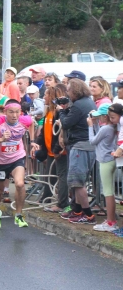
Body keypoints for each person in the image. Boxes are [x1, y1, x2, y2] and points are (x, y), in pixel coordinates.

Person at [0, 100, 36, 230]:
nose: (14, 115)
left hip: (17, 157)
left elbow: (32, 123)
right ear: (5, 112)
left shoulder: (25, 120)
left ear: (20, 113)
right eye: (11, 112)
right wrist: (1, 139)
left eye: (17, 112)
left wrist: (33, 141)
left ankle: (18, 214)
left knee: (19, 184)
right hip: (0, 161)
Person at [58, 78, 97, 224]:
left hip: (80, 145)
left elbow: (67, 123)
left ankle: (88, 215)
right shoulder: (88, 101)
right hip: (88, 144)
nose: (67, 93)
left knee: (77, 182)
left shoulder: (79, 105)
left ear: (75, 90)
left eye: (68, 90)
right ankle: (77, 210)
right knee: (79, 180)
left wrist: (62, 112)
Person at [31, 85, 70, 213]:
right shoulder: (49, 112)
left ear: (52, 96)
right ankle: (45, 199)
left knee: (60, 176)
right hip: (50, 151)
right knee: (49, 178)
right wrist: (37, 143)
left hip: (58, 152)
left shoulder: (59, 112)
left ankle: (61, 203)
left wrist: (57, 149)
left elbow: (60, 133)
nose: (43, 97)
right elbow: (43, 132)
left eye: (46, 95)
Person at [88, 103, 120, 232]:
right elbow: (98, 137)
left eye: (100, 117)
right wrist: (95, 124)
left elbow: (92, 140)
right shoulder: (111, 127)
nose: (98, 119)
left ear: (105, 117)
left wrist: (90, 126)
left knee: (108, 192)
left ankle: (111, 222)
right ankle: (111, 220)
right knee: (109, 191)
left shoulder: (106, 128)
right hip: (110, 159)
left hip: (105, 161)